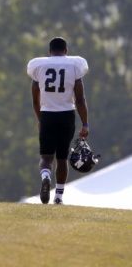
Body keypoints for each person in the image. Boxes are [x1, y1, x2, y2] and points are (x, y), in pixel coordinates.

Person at [27, 37, 89, 205]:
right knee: (62, 158)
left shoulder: (39, 67)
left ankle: (46, 176)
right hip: (67, 115)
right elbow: (80, 99)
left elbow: (35, 100)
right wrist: (85, 124)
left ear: (49, 51)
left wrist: (41, 120)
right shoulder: (74, 66)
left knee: (46, 158)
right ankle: (59, 196)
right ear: (66, 51)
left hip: (47, 114)